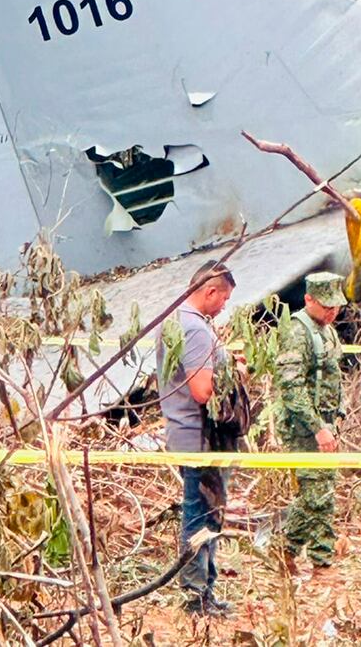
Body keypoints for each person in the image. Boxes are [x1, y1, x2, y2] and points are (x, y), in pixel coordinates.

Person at [159, 261, 238, 616]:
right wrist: (234, 376)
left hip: (186, 432)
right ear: (210, 291)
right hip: (201, 438)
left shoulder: (176, 320)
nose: (223, 306)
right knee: (200, 515)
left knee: (204, 512)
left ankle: (204, 590)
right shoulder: (195, 330)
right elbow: (203, 391)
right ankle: (196, 596)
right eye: (223, 298)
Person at [274, 271, 347, 571]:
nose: (332, 312)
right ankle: (286, 548)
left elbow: (333, 376)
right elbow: (291, 388)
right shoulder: (296, 331)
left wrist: (336, 418)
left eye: (336, 307)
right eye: (327, 306)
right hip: (303, 429)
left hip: (326, 424)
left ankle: (320, 557)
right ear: (308, 300)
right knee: (316, 495)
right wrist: (317, 428)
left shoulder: (327, 330)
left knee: (325, 493)